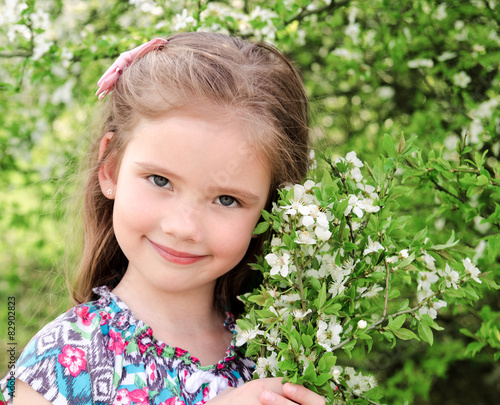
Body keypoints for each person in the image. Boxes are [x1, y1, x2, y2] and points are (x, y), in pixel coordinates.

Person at [0, 32, 324, 405]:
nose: (183, 227)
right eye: (160, 180)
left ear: (275, 208)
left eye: (226, 199)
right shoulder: (63, 359)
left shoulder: (281, 352)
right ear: (111, 167)